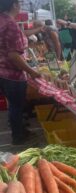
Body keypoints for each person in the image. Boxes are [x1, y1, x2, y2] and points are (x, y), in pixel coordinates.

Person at [0, 0, 40, 145]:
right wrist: (31, 72)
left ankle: (20, 131)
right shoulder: (10, 24)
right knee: (16, 107)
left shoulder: (2, 20)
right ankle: (18, 138)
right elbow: (13, 55)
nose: (20, 6)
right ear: (14, 5)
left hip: (2, 72)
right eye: (19, 3)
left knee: (13, 106)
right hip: (13, 75)